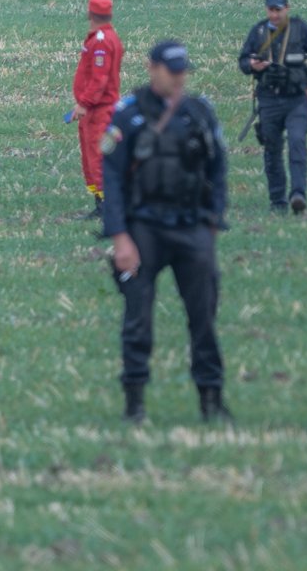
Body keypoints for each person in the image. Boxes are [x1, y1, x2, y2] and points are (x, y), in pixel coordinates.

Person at [101, 40, 231, 425]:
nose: (179, 78)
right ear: (151, 68)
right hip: (144, 229)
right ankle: (134, 404)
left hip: (192, 227)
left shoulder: (199, 113)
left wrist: (213, 221)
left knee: (204, 319)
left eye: (183, 71)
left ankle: (211, 400)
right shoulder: (127, 114)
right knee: (138, 320)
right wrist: (120, 237)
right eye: (171, 71)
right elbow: (112, 179)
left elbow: (218, 168)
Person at [238, 0, 307, 215]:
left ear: (287, 8)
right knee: (272, 150)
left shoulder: (300, 29)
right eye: (271, 10)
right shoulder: (258, 31)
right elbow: (243, 62)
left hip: (296, 99)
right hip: (268, 100)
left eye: (278, 10)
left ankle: (298, 195)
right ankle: (277, 202)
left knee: (297, 142)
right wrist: (252, 65)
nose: (275, 14)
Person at [70, 0, 124, 219]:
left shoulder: (101, 41)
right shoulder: (105, 37)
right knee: (90, 159)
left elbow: (99, 79)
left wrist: (84, 103)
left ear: (90, 13)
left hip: (99, 110)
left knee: (98, 157)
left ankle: (106, 207)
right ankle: (100, 204)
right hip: (94, 110)